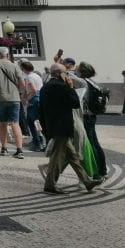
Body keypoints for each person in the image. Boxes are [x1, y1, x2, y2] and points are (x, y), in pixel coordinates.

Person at [39, 64, 102, 194]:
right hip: (62, 126)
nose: (68, 75)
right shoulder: (62, 87)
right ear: (60, 74)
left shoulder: (45, 87)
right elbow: (74, 103)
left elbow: (42, 110)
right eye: (66, 73)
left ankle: (87, 182)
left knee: (73, 157)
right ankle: (50, 185)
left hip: (53, 125)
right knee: (56, 158)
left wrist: (45, 128)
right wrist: (70, 87)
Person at [0, 47, 25, 158]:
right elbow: (22, 84)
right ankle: (19, 150)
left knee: (2, 124)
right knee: (15, 124)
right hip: (14, 98)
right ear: (7, 54)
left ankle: (4, 148)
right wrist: (16, 89)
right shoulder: (15, 66)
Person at [77, 61, 107, 178]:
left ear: (81, 71)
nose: (75, 69)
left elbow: (66, 75)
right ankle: (102, 171)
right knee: (95, 143)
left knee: (91, 143)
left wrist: (57, 62)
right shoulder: (92, 82)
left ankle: (97, 173)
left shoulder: (82, 82)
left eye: (77, 68)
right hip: (91, 115)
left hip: (86, 116)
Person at [19, 60, 45, 151]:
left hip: (34, 100)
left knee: (32, 122)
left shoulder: (28, 77)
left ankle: (37, 143)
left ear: (24, 69)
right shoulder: (37, 75)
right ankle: (40, 141)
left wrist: (27, 99)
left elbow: (33, 90)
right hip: (39, 98)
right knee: (37, 122)